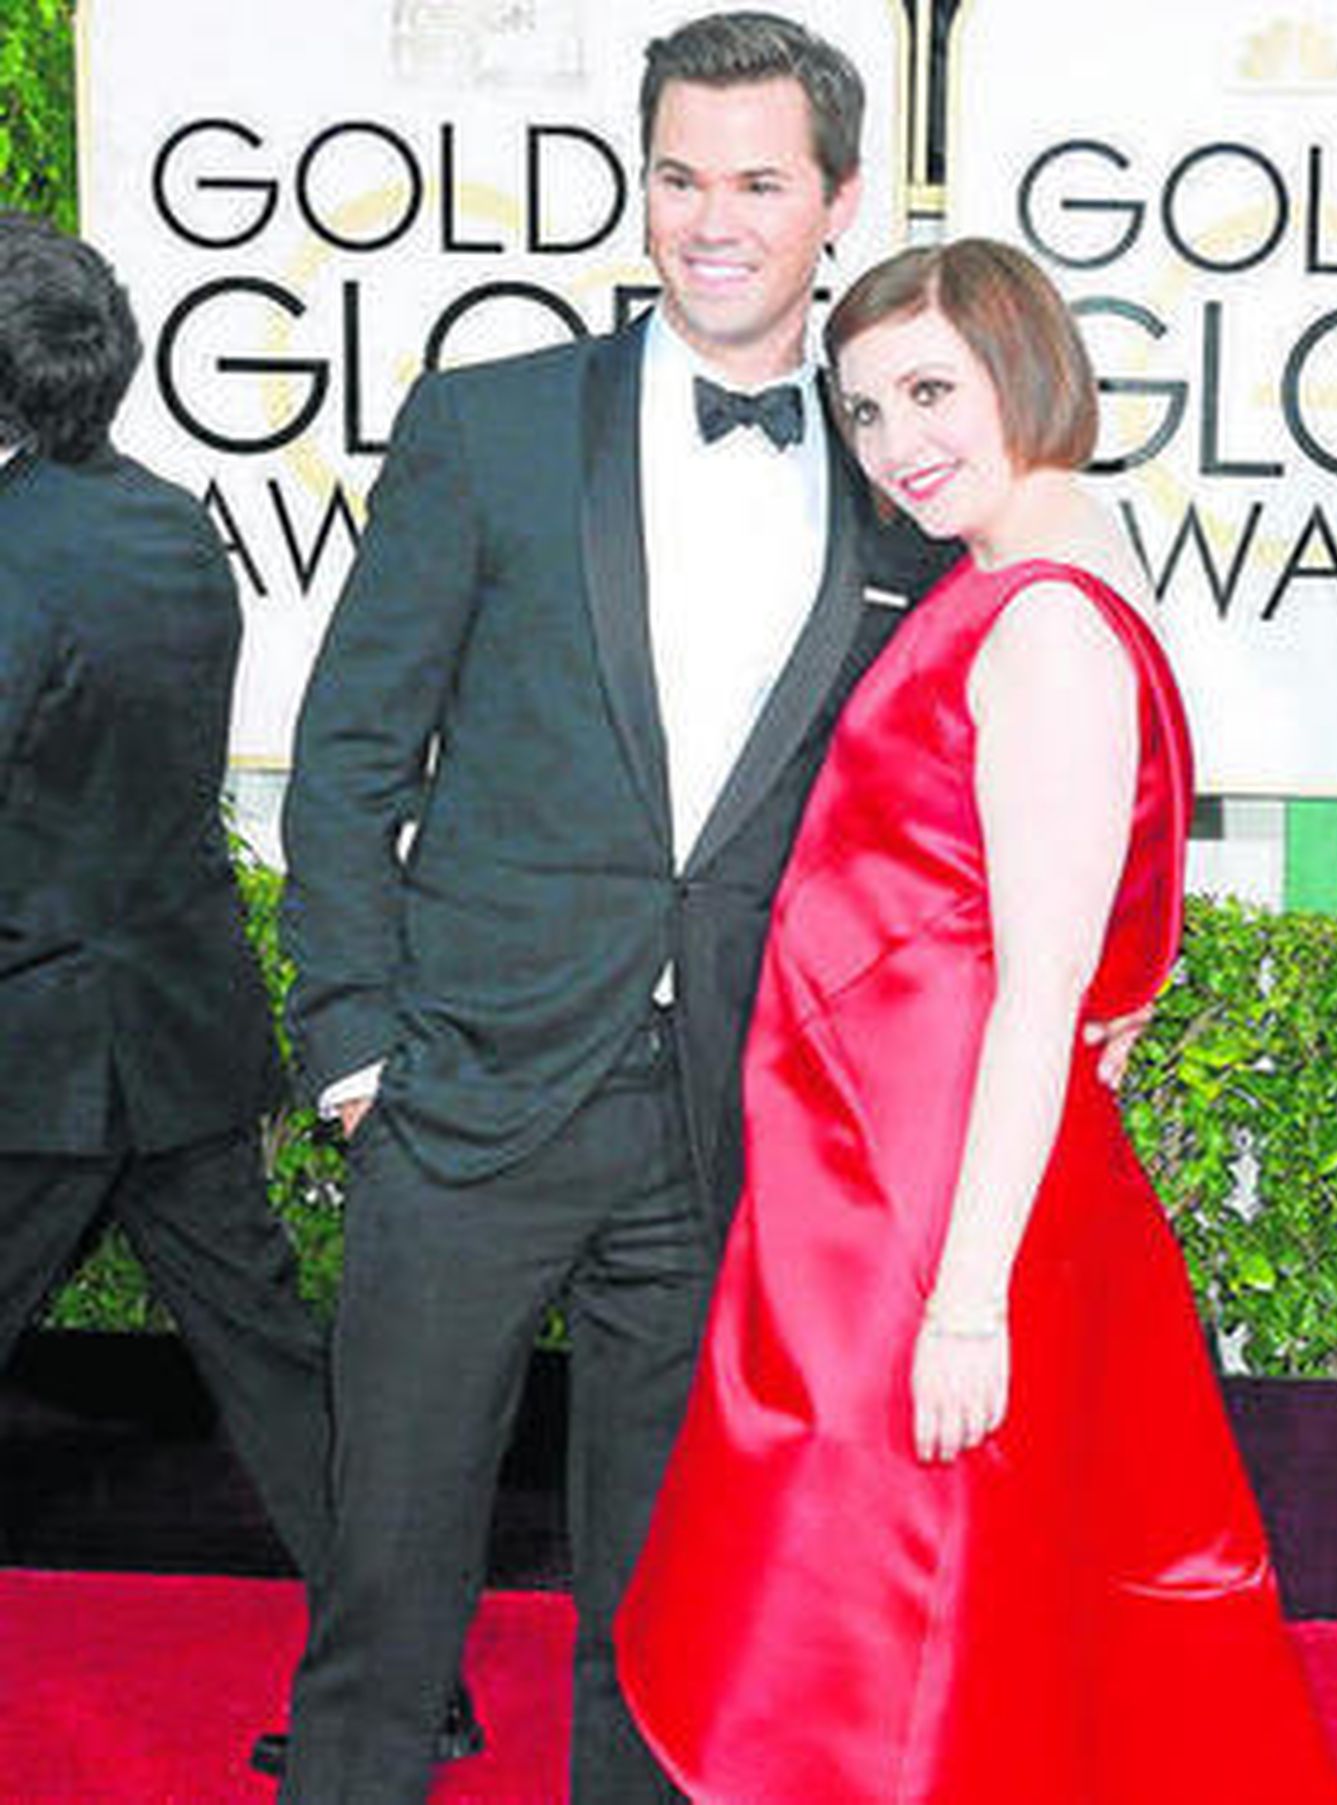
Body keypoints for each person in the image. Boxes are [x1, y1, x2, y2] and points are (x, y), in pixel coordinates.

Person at [270, 14, 958, 1803]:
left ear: (838, 204)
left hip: (726, 1132)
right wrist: (351, 1043)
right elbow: (348, 752)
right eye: (676, 177)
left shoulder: (898, 478)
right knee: (385, 1593)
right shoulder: (490, 426)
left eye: (755, 182)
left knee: (663, 1630)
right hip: (461, 1104)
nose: (709, 220)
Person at [617, 237, 1337, 1803]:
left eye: (931, 390)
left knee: (898, 1633)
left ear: (1030, 367)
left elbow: (1041, 988)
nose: (899, 444)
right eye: (868, 411)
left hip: (929, 1218)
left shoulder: (1046, 628)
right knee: (910, 1621)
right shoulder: (1009, 596)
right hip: (884, 1198)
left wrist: (965, 1301)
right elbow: (1092, 976)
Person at [0, 211, 332, 1703]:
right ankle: (408, 1669)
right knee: (272, 1362)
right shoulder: (165, 523)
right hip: (176, 1027)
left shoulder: (10, 556)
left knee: (272, 1360)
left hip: (40, 1046)